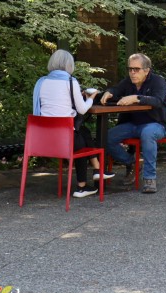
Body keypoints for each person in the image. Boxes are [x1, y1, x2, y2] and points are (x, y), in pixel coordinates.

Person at [32, 49, 112, 198]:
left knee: (83, 132)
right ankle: (84, 184)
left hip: (42, 139)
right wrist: (91, 98)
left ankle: (96, 171)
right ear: (69, 65)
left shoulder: (41, 82)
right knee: (80, 139)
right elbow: (81, 109)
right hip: (65, 139)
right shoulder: (70, 81)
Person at [101, 53, 166, 194]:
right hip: (133, 124)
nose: (132, 72)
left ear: (147, 70)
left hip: (156, 124)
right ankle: (131, 163)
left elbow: (157, 101)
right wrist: (109, 92)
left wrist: (136, 98)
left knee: (147, 133)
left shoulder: (158, 81)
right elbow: (116, 89)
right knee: (106, 137)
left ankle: (150, 178)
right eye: (130, 69)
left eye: (136, 69)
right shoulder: (128, 82)